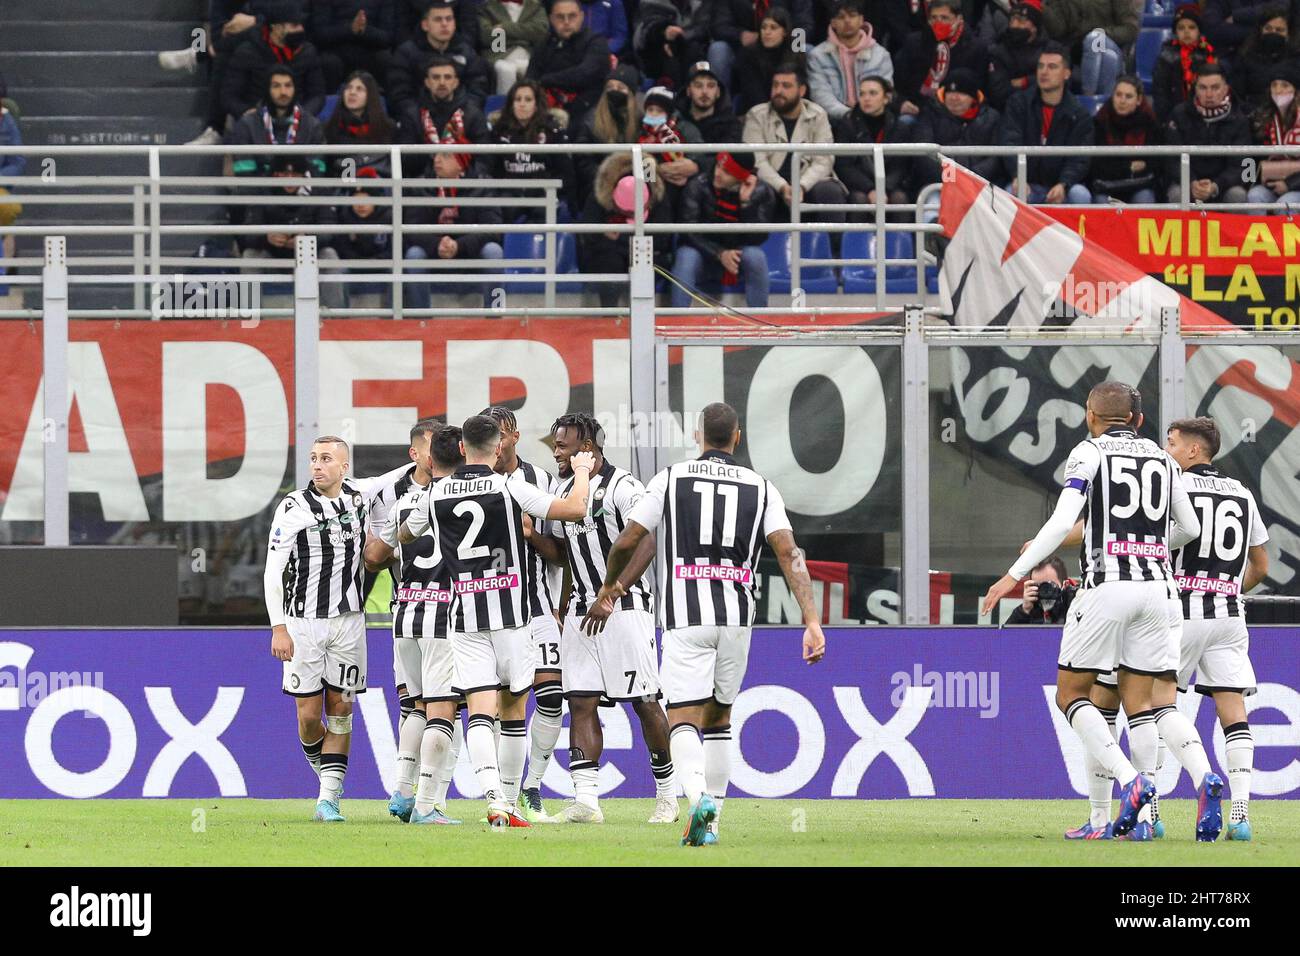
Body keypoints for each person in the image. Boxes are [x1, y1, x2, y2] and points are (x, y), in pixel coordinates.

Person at [581, 402, 826, 846]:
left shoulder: (671, 479)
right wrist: (811, 620)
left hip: (685, 617)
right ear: (737, 437)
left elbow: (629, 539)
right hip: (736, 618)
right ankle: (710, 827)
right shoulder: (762, 487)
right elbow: (790, 554)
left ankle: (699, 802)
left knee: (683, 720)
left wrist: (609, 586)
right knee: (718, 721)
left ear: (698, 436)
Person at [980, 382, 1212, 842]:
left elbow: (1063, 521)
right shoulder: (1165, 460)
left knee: (1070, 695)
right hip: (1161, 591)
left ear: (1090, 415)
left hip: (1108, 590)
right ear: (1139, 421)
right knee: (1139, 705)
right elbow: (1190, 527)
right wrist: (1145, 548)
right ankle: (1131, 823)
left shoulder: (1089, 452)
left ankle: (1132, 783)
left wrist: (1012, 575)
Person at [387, 415, 597, 828]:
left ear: (462, 448)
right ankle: (509, 799)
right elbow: (575, 509)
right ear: (499, 448)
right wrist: (583, 473)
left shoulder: (435, 493)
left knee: (480, 711)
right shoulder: (511, 486)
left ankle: (494, 798)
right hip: (512, 617)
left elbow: (404, 537)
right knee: (514, 709)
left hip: (464, 616)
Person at [522, 414, 678, 825]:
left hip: (624, 611)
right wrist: (533, 537)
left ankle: (667, 795)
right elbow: (564, 555)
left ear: (587, 447)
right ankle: (586, 801)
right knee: (581, 702)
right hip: (578, 614)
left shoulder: (623, 486)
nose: (556, 452)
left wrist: (613, 591)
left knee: (644, 701)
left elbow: (645, 543)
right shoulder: (564, 489)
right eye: (555, 445)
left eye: (564, 445)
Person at [265, 436, 412, 822]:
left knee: (342, 708)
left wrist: (425, 458)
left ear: (344, 466)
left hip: (349, 624)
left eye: (326, 459)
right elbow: (272, 572)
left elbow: (395, 475)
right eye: (313, 458)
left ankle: (328, 798)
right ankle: (325, 776)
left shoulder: (358, 495)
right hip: (302, 625)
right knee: (309, 717)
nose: (317, 465)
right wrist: (278, 627)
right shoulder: (293, 507)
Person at [1163, 417, 1270, 841]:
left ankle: (1156, 811)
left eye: (1171, 444)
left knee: (1154, 705)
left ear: (1194, 451)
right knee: (1234, 712)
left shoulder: (1176, 488)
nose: (1166, 452)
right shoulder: (1243, 493)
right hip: (1229, 613)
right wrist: (1227, 588)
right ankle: (1241, 815)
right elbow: (1261, 565)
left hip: (1181, 612)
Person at [363, 421, 466, 826]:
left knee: (415, 706)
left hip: (405, 612)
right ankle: (426, 804)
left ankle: (402, 791)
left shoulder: (405, 501)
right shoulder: (462, 498)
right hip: (446, 615)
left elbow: (375, 554)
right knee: (444, 710)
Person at [480, 406, 565, 824]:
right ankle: (500, 796)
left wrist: (531, 536)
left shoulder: (542, 482)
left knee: (550, 697)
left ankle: (530, 788)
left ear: (513, 435)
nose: (494, 446)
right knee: (497, 703)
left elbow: (562, 552)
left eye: (499, 435)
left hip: (537, 607)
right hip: (492, 610)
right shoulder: (473, 481)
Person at [743, 62, 849, 223]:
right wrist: (782, 186)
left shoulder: (818, 115)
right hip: (771, 182)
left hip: (807, 183)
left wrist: (801, 186)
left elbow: (824, 161)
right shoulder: (757, 115)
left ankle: (832, 248)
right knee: (758, 190)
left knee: (829, 190)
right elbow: (757, 161)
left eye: (786, 86)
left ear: (801, 90)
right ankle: (758, 246)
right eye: (775, 85)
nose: (778, 91)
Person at [671, 150, 777, 308]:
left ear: (740, 178)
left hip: (737, 255)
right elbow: (688, 232)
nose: (718, 173)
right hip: (703, 253)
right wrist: (720, 253)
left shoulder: (761, 191)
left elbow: (758, 239)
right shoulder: (697, 185)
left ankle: (759, 322)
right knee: (686, 257)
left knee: (756, 256)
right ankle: (677, 323)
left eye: (726, 172)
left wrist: (746, 204)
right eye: (719, 166)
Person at [403, 147, 504, 310]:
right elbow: (411, 228)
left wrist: (459, 245)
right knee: (414, 255)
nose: (437, 159)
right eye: (435, 154)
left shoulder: (483, 185)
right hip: (434, 251)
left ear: (461, 163)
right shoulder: (420, 185)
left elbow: (493, 229)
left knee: (494, 252)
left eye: (445, 156)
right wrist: (437, 244)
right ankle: (420, 319)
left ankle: (495, 313)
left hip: (470, 251)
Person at [241, 155, 346, 309]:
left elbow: (329, 230)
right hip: (273, 257)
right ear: (275, 175)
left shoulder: (319, 191)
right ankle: (251, 320)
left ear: (304, 175)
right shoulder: (262, 191)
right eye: (284, 174)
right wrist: (266, 238)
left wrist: (307, 238)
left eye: (295, 174)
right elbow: (247, 234)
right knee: (250, 256)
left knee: (329, 255)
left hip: (308, 256)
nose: (289, 179)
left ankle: (335, 319)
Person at [999, 43, 1094, 204]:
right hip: (1026, 184)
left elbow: (1080, 158)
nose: (1044, 72)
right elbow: (1009, 141)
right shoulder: (1019, 103)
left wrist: (1064, 183)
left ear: (1066, 73)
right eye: (1041, 66)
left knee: (1081, 195)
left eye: (1052, 67)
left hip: (1061, 187)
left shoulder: (1079, 114)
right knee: (1009, 193)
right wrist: (1018, 175)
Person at [577, 153, 674, 307]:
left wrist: (619, 238)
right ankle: (609, 317)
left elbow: (662, 239)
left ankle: (643, 316)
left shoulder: (656, 191)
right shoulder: (602, 190)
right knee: (608, 261)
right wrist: (609, 236)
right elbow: (588, 234)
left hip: (644, 251)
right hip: (608, 252)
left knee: (645, 261)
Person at [1163, 64, 1254, 204]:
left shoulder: (1240, 118)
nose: (1209, 94)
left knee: (1237, 195)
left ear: (1226, 89)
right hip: (1188, 182)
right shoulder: (1179, 114)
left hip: (1224, 186)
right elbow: (1172, 159)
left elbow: (1243, 164)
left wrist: (1215, 186)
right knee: (1177, 194)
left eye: (1215, 87)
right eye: (1203, 88)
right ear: (1195, 88)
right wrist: (1191, 182)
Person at [221, 1, 327, 121]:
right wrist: (247, 112)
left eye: (301, 24)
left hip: (298, 121)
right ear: (275, 28)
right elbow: (228, 96)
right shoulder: (247, 52)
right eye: (294, 25)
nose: (301, 29)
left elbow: (317, 95)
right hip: (257, 122)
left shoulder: (307, 52)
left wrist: (303, 115)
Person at [489, 79, 577, 219]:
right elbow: (492, 170)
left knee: (542, 212)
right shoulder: (499, 131)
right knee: (502, 210)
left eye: (528, 99)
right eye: (517, 99)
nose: (522, 104)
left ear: (536, 105)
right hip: (510, 193)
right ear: (511, 104)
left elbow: (566, 173)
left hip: (543, 193)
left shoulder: (552, 131)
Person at [912, 67, 1004, 198]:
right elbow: (924, 153)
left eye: (961, 93)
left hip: (981, 187)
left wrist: (971, 176)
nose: (954, 97)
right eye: (950, 92)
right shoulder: (929, 114)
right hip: (938, 186)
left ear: (974, 98)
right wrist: (951, 177)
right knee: (931, 211)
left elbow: (997, 156)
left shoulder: (992, 118)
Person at [390, 1, 491, 115]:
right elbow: (401, 95)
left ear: (454, 24)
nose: (444, 24)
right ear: (425, 25)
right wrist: (418, 116)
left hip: (461, 118)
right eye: (438, 19)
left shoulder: (467, 52)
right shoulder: (406, 54)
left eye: (449, 19)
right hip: (419, 120)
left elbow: (477, 89)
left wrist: (466, 114)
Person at [833, 75, 912, 221]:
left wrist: (884, 189)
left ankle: (900, 244)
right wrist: (870, 189)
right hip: (858, 185)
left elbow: (901, 165)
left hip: (889, 185)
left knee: (899, 200)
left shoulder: (899, 127)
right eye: (862, 94)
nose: (866, 98)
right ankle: (856, 244)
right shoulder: (847, 124)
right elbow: (844, 166)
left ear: (886, 98)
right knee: (859, 200)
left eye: (873, 93)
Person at [894, 0, 988, 121]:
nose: (938, 23)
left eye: (944, 18)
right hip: (918, 107)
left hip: (957, 110)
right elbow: (899, 82)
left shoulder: (976, 48)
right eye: (934, 18)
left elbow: (979, 89)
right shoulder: (914, 42)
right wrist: (901, 102)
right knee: (905, 121)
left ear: (958, 19)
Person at [526, 0, 612, 131]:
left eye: (572, 16)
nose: (566, 22)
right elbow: (530, 78)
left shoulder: (596, 42)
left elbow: (584, 73)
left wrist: (546, 80)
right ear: (551, 19)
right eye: (560, 17)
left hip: (588, 105)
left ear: (581, 16)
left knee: (591, 124)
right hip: (548, 105)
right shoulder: (543, 44)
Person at [399, 54, 490, 176]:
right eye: (436, 77)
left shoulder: (473, 114)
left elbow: (484, 159)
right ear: (427, 82)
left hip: (465, 185)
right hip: (423, 186)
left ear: (456, 82)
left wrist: (462, 177)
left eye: (447, 77)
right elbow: (405, 159)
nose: (442, 82)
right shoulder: (412, 115)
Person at [807, 0, 895, 122]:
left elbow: (886, 92)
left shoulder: (880, 55)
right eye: (841, 17)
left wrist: (863, 113)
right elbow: (821, 96)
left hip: (872, 117)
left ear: (861, 20)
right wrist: (850, 115)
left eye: (852, 15)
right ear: (833, 23)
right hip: (833, 120)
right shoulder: (818, 55)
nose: (847, 21)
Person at [1088, 75, 1162, 205]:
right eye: (1118, 95)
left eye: (1128, 96)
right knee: (1100, 202)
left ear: (1138, 100)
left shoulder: (1150, 123)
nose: (1122, 101)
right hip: (1106, 188)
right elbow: (1096, 166)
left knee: (1145, 199)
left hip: (1139, 186)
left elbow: (1155, 163)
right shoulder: (1100, 122)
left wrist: (1115, 167)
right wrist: (1129, 167)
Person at [1041, 0, 1137, 99]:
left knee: (1097, 43)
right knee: (1107, 56)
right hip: (1077, 49)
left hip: (1109, 42)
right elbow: (1058, 31)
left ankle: (1088, 96)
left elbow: (1131, 29)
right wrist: (1043, 7)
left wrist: (1103, 33)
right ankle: (1099, 105)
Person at [710, 0, 816, 89]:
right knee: (718, 49)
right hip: (743, 47)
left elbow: (805, 26)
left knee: (808, 50)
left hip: (785, 46)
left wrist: (785, 40)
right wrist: (740, 35)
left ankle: (806, 107)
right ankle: (723, 105)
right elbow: (719, 26)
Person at [572, 62, 643, 195]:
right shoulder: (591, 119)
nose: (614, 91)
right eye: (610, 87)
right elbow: (583, 160)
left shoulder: (641, 120)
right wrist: (607, 178)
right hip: (599, 185)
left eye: (621, 88)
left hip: (634, 183)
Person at [639, 85, 703, 217]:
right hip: (647, 182)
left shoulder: (684, 130)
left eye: (659, 110)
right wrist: (658, 170)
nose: (654, 114)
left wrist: (686, 168)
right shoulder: (639, 133)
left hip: (678, 185)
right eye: (650, 109)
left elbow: (698, 155)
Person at [307, 0, 399, 91]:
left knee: (386, 60)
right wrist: (350, 29)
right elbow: (319, 35)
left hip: (371, 49)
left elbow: (387, 37)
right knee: (328, 63)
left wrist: (364, 30)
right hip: (336, 49)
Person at [733, 6, 809, 114]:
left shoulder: (795, 55)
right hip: (759, 113)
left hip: (791, 110)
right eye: (763, 27)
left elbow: (802, 92)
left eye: (773, 28)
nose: (767, 32)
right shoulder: (748, 55)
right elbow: (753, 96)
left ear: (785, 32)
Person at [323, 70, 397, 178]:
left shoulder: (388, 128)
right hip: (341, 191)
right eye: (348, 88)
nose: (352, 92)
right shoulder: (329, 129)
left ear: (370, 95)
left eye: (359, 89)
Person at [676, 60, 743, 178]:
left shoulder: (731, 124)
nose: (705, 91)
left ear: (718, 92)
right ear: (688, 91)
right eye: (698, 85)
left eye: (711, 86)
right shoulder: (674, 120)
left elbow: (729, 159)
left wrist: (698, 166)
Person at [1152, 5, 1217, 123]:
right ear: (1175, 32)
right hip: (1175, 113)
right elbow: (1160, 92)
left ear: (1199, 31)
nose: (1186, 31)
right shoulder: (1166, 57)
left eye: (1192, 27)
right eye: (1181, 28)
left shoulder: (1208, 53)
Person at [1248, 64, 1300, 209]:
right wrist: (1254, 179)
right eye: (1274, 85)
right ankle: (1256, 233)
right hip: (1273, 181)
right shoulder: (1264, 119)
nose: (1278, 90)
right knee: (1255, 195)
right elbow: (1252, 157)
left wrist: (1289, 184)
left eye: (1285, 85)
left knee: (1285, 203)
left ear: (1296, 90)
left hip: (1296, 185)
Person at [1229, 8, 1298, 113]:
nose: (1273, 33)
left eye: (1279, 30)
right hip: (1253, 114)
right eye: (1268, 29)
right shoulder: (1246, 56)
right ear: (1261, 30)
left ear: (1288, 34)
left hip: (1290, 115)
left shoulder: (1296, 59)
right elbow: (1237, 96)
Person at [634, 0, 712, 90]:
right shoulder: (650, 4)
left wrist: (681, 37)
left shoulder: (702, 5)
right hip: (657, 50)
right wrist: (664, 31)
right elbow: (647, 29)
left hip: (692, 48)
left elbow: (704, 28)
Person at [479, 0, 550, 95]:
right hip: (499, 54)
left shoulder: (535, 6)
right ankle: (505, 108)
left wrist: (504, 28)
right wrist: (524, 35)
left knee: (528, 68)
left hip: (529, 55)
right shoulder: (486, 7)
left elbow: (541, 32)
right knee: (506, 69)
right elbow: (486, 36)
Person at [987, 1, 1047, 111]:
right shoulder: (998, 53)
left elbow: (1062, 81)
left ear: (1035, 27)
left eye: (1021, 21)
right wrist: (1041, 83)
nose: (1015, 25)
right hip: (1010, 113)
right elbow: (999, 94)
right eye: (1012, 20)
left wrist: (1025, 81)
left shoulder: (1051, 49)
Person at [1002, 556, 1077, 624]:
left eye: (1049, 585)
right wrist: (1024, 611)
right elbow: (1006, 637)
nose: (1043, 590)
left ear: (1065, 584)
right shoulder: (1030, 609)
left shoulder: (1077, 606)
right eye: (1038, 586)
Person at [1202, 0, 1285, 58]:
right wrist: (1261, 30)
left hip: (1275, 52)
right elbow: (1213, 30)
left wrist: (1237, 16)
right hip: (1232, 55)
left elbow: (1282, 6)